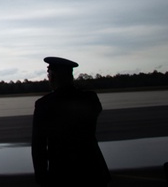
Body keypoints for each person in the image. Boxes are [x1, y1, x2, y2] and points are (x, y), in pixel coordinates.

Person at [31, 56, 110, 186]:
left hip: (62, 171)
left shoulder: (44, 104)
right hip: (92, 169)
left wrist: (41, 177)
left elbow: (39, 146)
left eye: (49, 73)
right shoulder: (90, 99)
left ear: (53, 75)